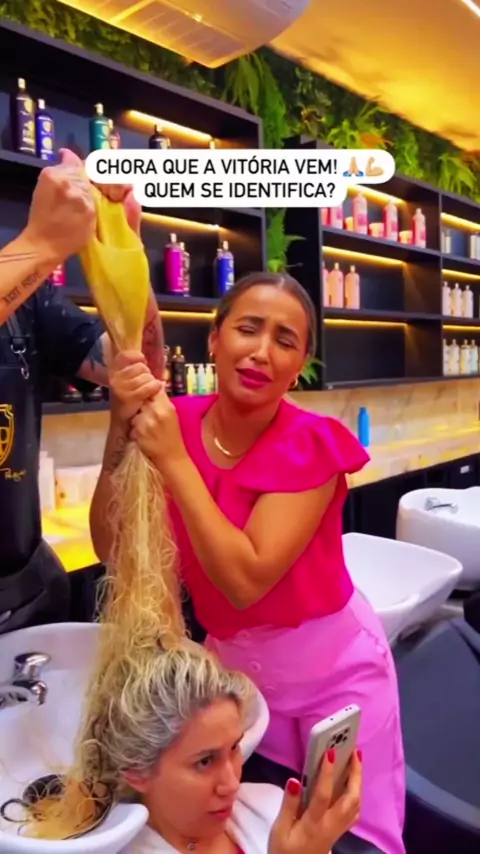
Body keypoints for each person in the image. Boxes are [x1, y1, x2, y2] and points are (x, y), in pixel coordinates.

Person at [90, 272, 406, 854]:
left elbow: (245, 581)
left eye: (285, 341)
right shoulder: (176, 421)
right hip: (240, 680)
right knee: (257, 818)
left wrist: (174, 460)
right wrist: (119, 423)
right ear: (215, 340)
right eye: (248, 329)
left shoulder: (311, 444)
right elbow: (111, 546)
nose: (262, 351)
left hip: (336, 675)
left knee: (346, 827)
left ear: (300, 364)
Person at [0, 149, 164, 634]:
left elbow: (139, 364)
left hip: (26, 589)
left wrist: (125, 252)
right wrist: (41, 243)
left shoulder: (28, 296)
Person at [95, 642, 362, 853]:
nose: (232, 784)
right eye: (205, 761)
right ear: (138, 772)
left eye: (234, 748)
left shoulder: (271, 807)